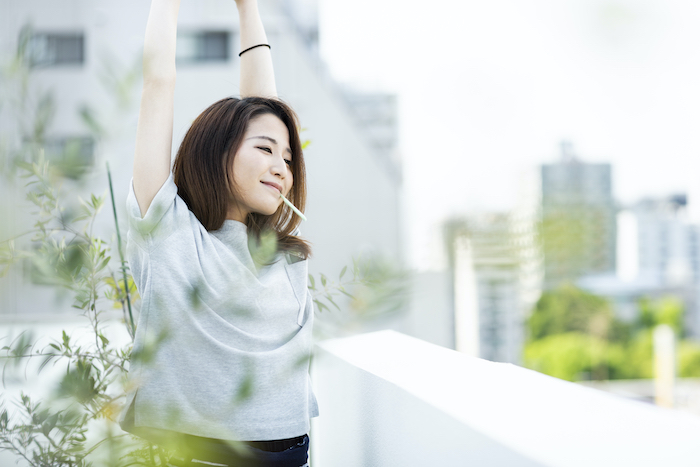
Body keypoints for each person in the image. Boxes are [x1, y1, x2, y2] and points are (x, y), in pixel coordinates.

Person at [120, 0, 317, 466]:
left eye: (287, 158)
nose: (281, 167)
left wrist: (248, 5)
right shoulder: (167, 231)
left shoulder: (283, 254)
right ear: (220, 152)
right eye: (266, 150)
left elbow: (263, 108)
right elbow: (158, 84)